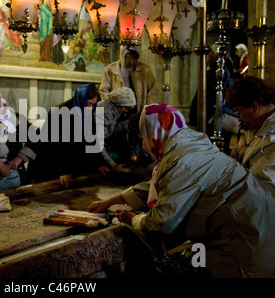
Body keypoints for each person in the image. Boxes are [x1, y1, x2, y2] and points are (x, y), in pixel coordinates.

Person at [88, 103, 275, 278]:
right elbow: (167, 185)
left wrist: (133, 219)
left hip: (244, 241)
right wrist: (110, 201)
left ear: (154, 133)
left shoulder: (180, 161)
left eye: (143, 137)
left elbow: (161, 223)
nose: (144, 145)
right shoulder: (192, 143)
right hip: (261, 225)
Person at [27, 83, 105, 183]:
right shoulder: (58, 113)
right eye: (88, 103)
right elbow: (52, 146)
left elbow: (92, 140)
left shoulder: (87, 113)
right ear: (80, 99)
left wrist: (99, 163)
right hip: (53, 165)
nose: (90, 108)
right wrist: (62, 171)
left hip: (74, 163)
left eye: (93, 105)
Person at [225, 76, 275, 186]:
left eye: (239, 112)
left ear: (254, 106)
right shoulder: (259, 128)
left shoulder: (272, 137)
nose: (238, 118)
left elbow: (262, 182)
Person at [97, 87, 152, 172]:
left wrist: (130, 125)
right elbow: (98, 143)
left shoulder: (114, 111)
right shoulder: (103, 112)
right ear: (119, 104)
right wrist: (113, 164)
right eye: (126, 108)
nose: (126, 111)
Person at [99, 46, 156, 113]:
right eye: (128, 58)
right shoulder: (111, 69)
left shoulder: (145, 70)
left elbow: (152, 91)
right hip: (118, 110)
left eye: (134, 58)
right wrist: (112, 107)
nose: (131, 62)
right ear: (123, 55)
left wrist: (148, 109)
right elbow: (103, 90)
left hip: (139, 110)